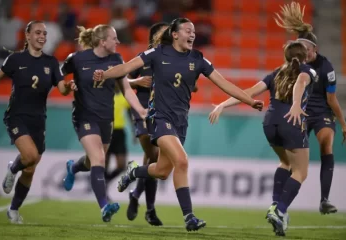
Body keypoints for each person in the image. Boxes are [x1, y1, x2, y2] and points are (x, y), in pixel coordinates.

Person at [93, 18, 264, 231]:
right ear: (174, 34)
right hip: (159, 117)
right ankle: (189, 217)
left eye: (193, 31)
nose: (192, 34)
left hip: (181, 121)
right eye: (187, 30)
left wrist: (250, 101)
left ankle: (134, 172)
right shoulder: (157, 53)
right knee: (182, 161)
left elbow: (225, 84)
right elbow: (127, 67)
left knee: (163, 171)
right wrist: (104, 74)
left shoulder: (198, 59)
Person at [210, 41, 316, 236]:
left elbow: (248, 92)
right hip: (291, 121)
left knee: (285, 162)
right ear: (306, 56)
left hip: (270, 122)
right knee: (300, 172)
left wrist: (223, 105)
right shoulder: (308, 70)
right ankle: (280, 210)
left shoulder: (275, 73)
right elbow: (301, 81)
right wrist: (295, 104)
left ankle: (275, 204)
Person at [274, 1, 346, 214]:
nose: (304, 53)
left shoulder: (326, 67)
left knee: (326, 144)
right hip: (299, 111)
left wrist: (345, 126)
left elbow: (332, 99)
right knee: (290, 160)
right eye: (301, 49)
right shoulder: (295, 64)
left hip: (320, 113)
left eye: (307, 50)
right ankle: (278, 204)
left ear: (314, 50)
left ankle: (324, 200)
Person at [60, 24, 147, 223]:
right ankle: (104, 206)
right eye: (114, 38)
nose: (118, 42)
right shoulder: (77, 59)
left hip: (106, 119)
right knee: (99, 159)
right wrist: (66, 86)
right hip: (84, 116)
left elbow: (125, 88)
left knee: (92, 161)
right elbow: (58, 77)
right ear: (102, 42)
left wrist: (140, 110)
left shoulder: (116, 60)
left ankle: (73, 168)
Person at [0, 20, 76, 224]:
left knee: (30, 167)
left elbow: (62, 88)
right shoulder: (15, 59)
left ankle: (13, 209)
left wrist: (69, 87)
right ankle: (13, 169)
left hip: (39, 120)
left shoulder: (50, 62)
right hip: (16, 116)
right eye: (38, 32)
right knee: (30, 155)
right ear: (28, 36)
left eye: (45, 33)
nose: (42, 36)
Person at [126, 22, 169, 226]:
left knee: (152, 162)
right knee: (153, 158)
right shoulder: (143, 57)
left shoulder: (173, 59)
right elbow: (121, 79)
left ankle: (138, 198)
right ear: (154, 37)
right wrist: (136, 82)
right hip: (141, 109)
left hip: (162, 112)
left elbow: (191, 84)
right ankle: (148, 207)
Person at [104, 81, 133, 197]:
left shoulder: (124, 97)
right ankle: (103, 193)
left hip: (119, 133)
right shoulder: (105, 96)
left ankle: (107, 181)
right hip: (106, 131)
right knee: (104, 163)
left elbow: (130, 115)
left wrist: (134, 131)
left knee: (122, 165)